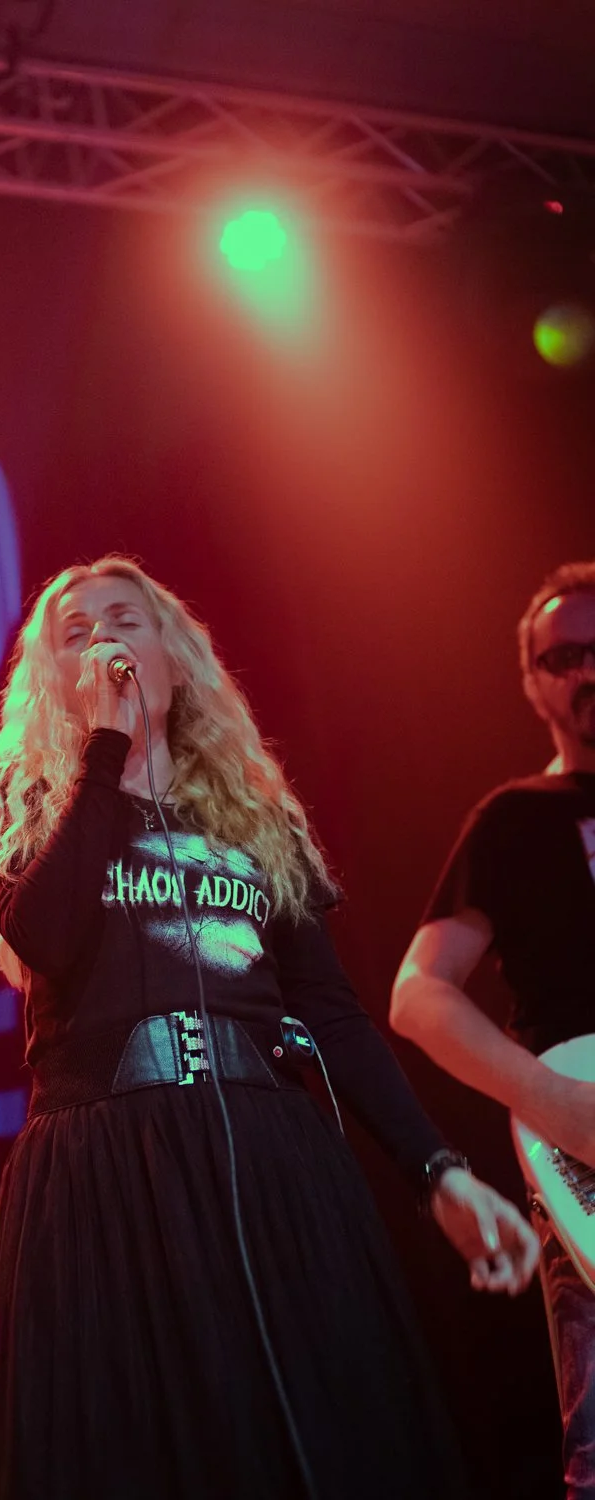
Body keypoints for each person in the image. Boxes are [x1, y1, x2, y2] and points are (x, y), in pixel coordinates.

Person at [0, 554, 540, 1500]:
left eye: (126, 620)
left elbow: (334, 1013)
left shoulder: (256, 820)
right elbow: (47, 937)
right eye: (76, 631)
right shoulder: (17, 809)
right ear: (50, 678)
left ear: (174, 656)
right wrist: (104, 753)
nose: (104, 640)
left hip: (265, 1148)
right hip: (110, 1162)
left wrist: (438, 1170)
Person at [392, 559, 595, 1499]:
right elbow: (418, 993)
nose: (587, 670)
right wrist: (553, 1100)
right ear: (531, 682)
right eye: (563, 657)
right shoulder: (513, 821)